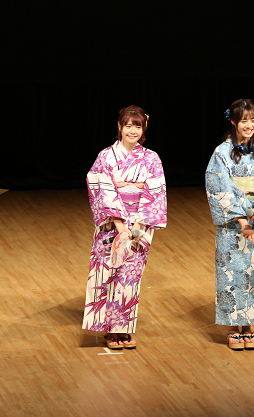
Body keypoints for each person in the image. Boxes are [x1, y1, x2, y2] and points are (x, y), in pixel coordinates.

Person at [83, 105, 167, 349]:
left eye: (137, 126)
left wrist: (138, 226)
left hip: (139, 226)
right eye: (128, 125)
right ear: (119, 127)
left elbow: (156, 192)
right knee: (108, 275)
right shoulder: (106, 157)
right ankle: (110, 330)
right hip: (112, 225)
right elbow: (101, 189)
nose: (132, 131)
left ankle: (124, 328)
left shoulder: (151, 158)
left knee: (130, 279)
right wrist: (120, 225)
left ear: (144, 129)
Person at [205, 99, 254, 350]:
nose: (249, 125)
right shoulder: (221, 153)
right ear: (233, 121)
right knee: (230, 274)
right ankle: (232, 328)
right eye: (243, 121)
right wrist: (242, 220)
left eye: (253, 120)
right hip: (233, 223)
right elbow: (220, 188)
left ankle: (248, 327)